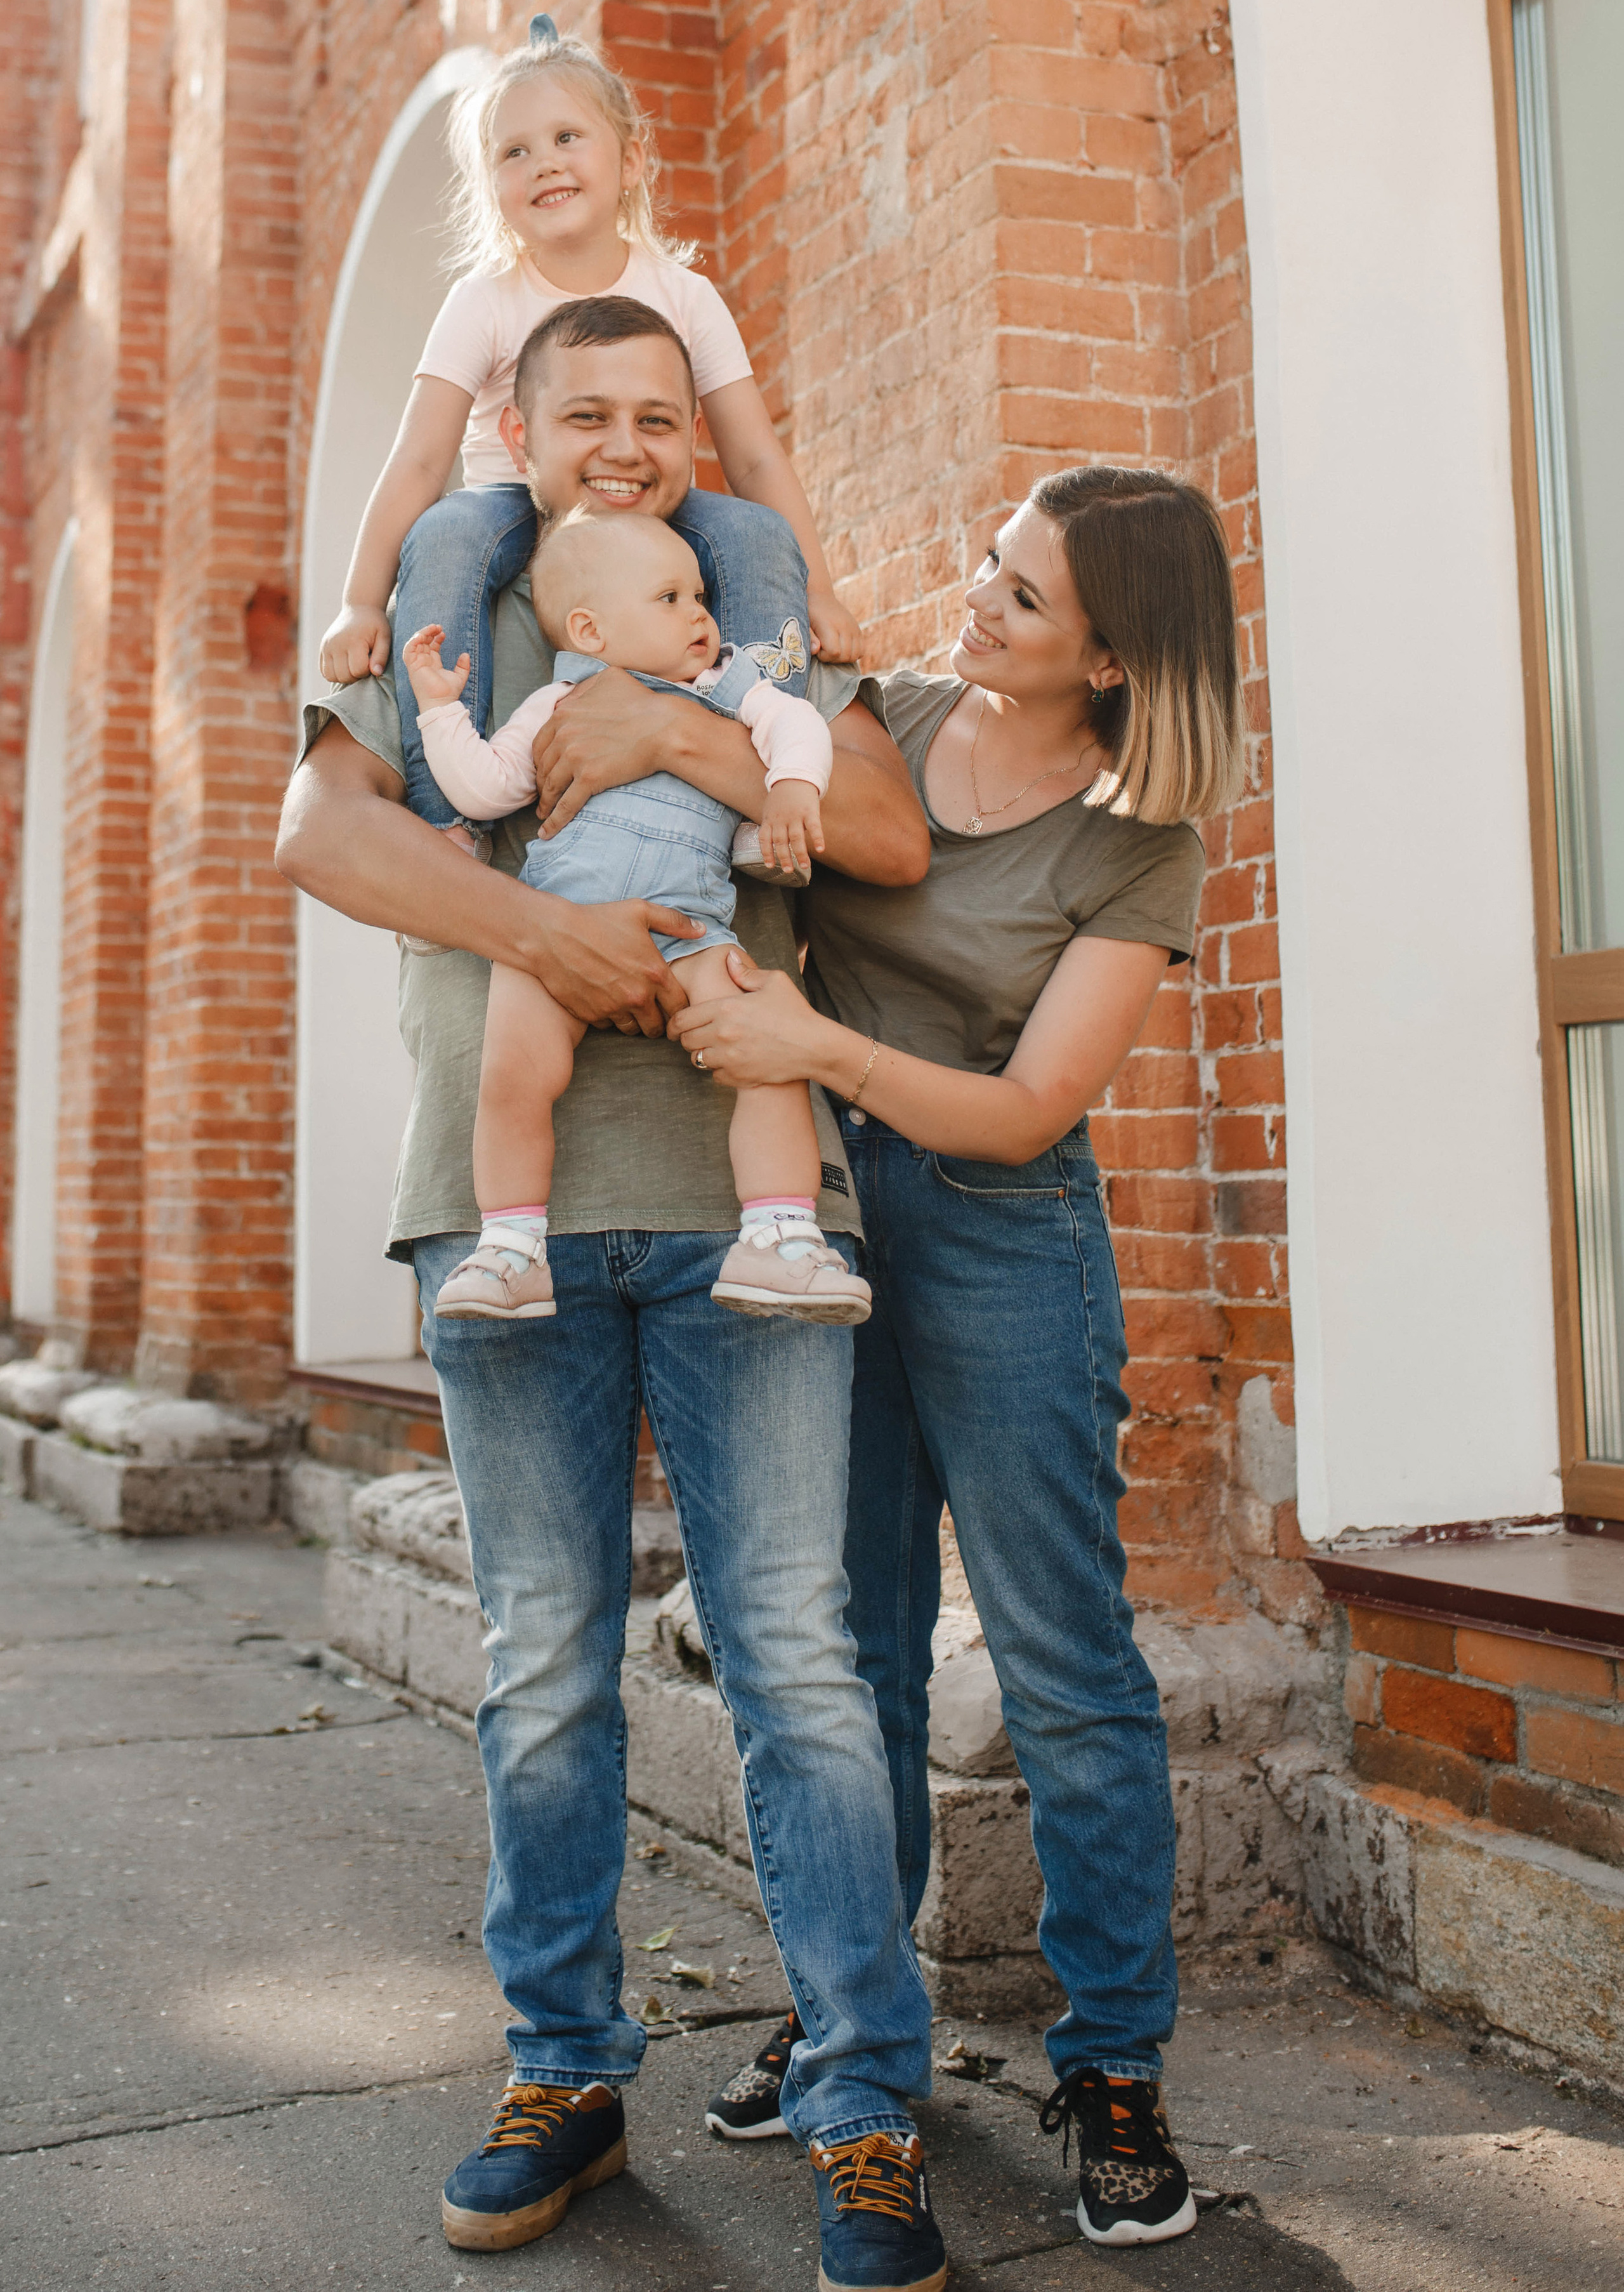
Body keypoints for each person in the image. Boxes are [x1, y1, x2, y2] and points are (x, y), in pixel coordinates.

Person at [277, 296, 953, 2292]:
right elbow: (323, 829)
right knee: (547, 1665)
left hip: (749, 1206)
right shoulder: (447, 617)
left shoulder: (731, 627)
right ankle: (564, 2071)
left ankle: (863, 2103)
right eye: (590, 413)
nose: (631, 442)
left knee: (798, 1666)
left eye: (663, 414)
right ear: (522, 420)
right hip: (506, 1215)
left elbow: (894, 832)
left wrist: (676, 729)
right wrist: (539, 947)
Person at [670, 466, 1246, 2250]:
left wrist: (812, 1043)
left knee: (1067, 1665)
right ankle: (859, 2029)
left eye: (1022, 598)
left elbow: (1022, 1110)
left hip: (1004, 1244)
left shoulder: (1136, 834)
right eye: (988, 562)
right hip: (819, 1224)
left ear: (1113, 658)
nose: (974, 602)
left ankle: (1115, 2062)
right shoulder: (882, 725)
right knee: (849, 1664)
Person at [317, 13, 860, 848]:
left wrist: (819, 587)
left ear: (632, 159)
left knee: (753, 533)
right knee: (447, 530)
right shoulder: (483, 300)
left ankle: (764, 777)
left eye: (569, 136)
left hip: (649, 505)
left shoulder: (683, 295)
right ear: (489, 186)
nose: (546, 164)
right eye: (515, 152)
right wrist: (360, 600)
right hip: (515, 500)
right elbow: (420, 457)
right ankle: (449, 818)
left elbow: (753, 455)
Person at [402, 504, 870, 1326]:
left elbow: (794, 720)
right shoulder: (556, 703)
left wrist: (793, 782)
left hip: (692, 931)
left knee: (768, 1054)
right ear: (592, 628)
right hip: (558, 932)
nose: (700, 614)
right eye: (669, 598)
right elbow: (486, 788)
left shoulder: (726, 686)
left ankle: (781, 1236)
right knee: (512, 1077)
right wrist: (442, 712)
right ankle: (511, 1249)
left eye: (699, 594)